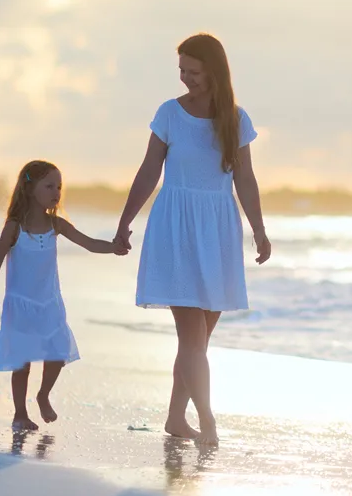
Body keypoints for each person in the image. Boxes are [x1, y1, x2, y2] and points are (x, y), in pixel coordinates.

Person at [115, 33, 272, 446]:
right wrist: (125, 220)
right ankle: (207, 421)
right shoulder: (169, 113)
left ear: (214, 71)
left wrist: (259, 229)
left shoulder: (236, 120)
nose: (186, 78)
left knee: (199, 340)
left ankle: (174, 418)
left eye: (194, 71)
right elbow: (149, 170)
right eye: (181, 70)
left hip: (218, 230)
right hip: (176, 229)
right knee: (191, 338)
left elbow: (245, 180)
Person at [0, 159, 128, 431]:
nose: (56, 192)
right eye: (49, 185)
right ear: (29, 189)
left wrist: (114, 247)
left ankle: (43, 394)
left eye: (59, 187)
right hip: (21, 304)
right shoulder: (15, 227)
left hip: (49, 303)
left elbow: (89, 243)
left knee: (58, 352)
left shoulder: (56, 225)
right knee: (22, 362)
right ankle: (20, 414)